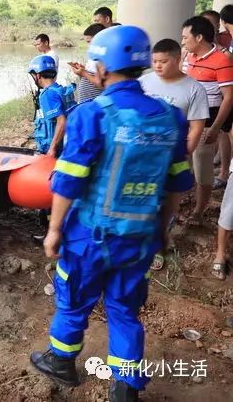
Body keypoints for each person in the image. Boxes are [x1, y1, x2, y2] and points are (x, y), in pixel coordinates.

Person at [30, 26, 193, 401]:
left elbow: (68, 181)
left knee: (73, 300)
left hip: (90, 236)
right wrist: (164, 230)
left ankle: (62, 362)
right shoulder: (170, 117)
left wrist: (54, 230)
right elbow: (176, 184)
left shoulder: (92, 114)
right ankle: (125, 387)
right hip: (139, 237)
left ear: (103, 68)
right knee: (124, 310)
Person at [140, 39, 209, 270]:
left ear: (178, 60)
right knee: (145, 200)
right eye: (155, 61)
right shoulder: (144, 81)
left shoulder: (194, 89)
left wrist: (184, 151)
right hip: (143, 157)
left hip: (174, 157)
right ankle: (139, 243)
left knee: (169, 203)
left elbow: (197, 126)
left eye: (163, 61)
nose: (158, 66)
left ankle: (160, 245)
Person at [183, 16, 233, 225]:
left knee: (202, 169)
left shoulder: (222, 60)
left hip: (205, 122)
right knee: (183, 164)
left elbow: (229, 97)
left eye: (186, 37)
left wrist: (215, 128)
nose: (183, 41)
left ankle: (198, 211)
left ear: (199, 37)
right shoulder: (188, 56)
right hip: (185, 120)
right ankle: (183, 197)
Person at [28, 54, 75, 157]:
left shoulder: (47, 94)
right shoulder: (60, 89)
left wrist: (52, 149)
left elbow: (62, 120)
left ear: (38, 75)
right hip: (65, 145)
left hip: (55, 150)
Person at [68, 23, 106, 103]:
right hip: (86, 105)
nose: (88, 46)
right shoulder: (94, 55)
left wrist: (84, 73)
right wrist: (83, 70)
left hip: (94, 105)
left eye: (89, 42)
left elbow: (101, 84)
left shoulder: (104, 57)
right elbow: (92, 75)